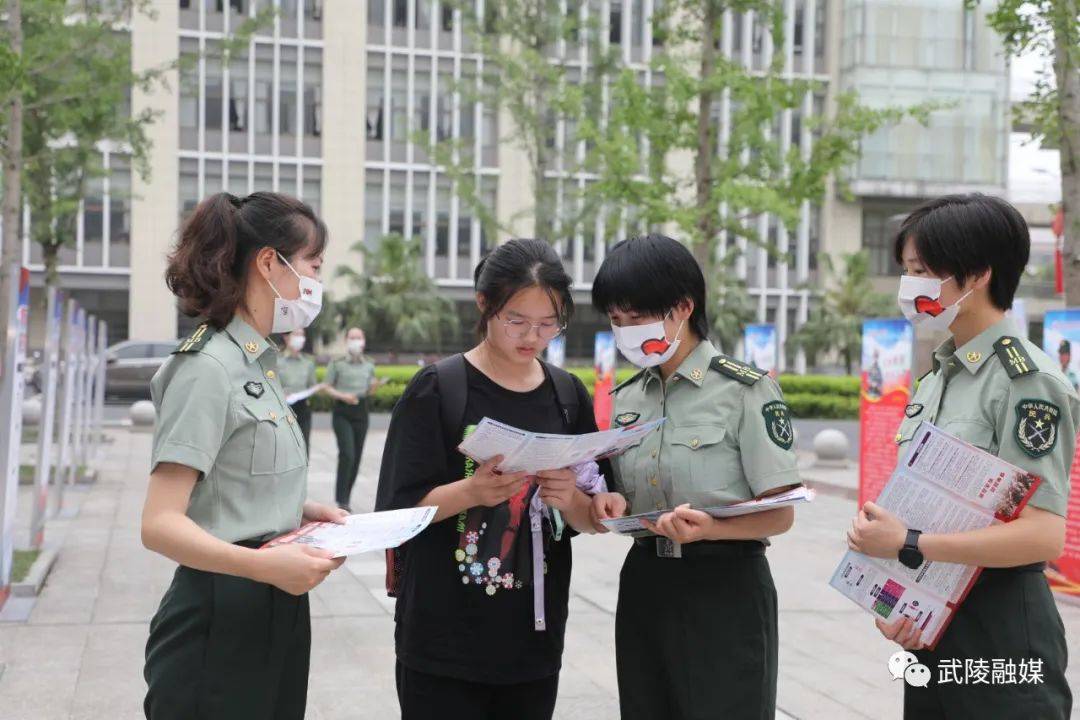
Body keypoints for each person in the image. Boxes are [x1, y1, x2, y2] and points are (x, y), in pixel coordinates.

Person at [845, 194, 1075, 719]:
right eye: (907, 271)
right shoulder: (937, 378)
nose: (911, 286)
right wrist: (897, 593)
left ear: (976, 276)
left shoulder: (1027, 381)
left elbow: (1043, 534)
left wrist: (908, 542)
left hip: (1003, 626)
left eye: (923, 271)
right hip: (934, 623)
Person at [374, 239, 607, 720]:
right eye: (516, 320)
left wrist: (573, 503)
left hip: (533, 643)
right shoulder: (440, 389)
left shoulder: (566, 394)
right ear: (484, 304)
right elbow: (393, 516)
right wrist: (471, 492)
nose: (532, 336)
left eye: (549, 324)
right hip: (442, 644)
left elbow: (591, 517)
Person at [140, 191, 347, 719]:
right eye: (313, 266)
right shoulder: (207, 367)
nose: (316, 284)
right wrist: (261, 566)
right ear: (268, 263)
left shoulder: (258, 362)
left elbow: (229, 478)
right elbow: (160, 523)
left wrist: (300, 511)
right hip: (219, 609)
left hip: (275, 599)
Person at [588, 233, 802, 720]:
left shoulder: (745, 390)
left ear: (682, 307)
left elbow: (781, 513)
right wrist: (608, 504)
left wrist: (715, 528)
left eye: (636, 318)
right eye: (616, 321)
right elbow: (617, 495)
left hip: (724, 586)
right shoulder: (627, 398)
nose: (625, 333)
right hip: (646, 581)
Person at [323, 327, 379, 511]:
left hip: (361, 412)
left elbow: (369, 390)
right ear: (346, 340)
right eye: (352, 337)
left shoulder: (369, 364)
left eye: (359, 337)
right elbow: (327, 386)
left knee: (356, 457)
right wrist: (342, 395)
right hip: (342, 412)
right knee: (347, 453)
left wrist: (374, 387)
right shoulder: (337, 363)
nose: (356, 340)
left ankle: (346, 498)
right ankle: (341, 499)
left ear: (364, 341)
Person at [279, 328, 319, 456]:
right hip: (282, 410)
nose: (300, 338)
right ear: (286, 337)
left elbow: (313, 386)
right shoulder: (276, 360)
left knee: (303, 450)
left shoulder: (308, 362)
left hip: (302, 410)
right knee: (283, 451)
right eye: (296, 334)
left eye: (302, 335)